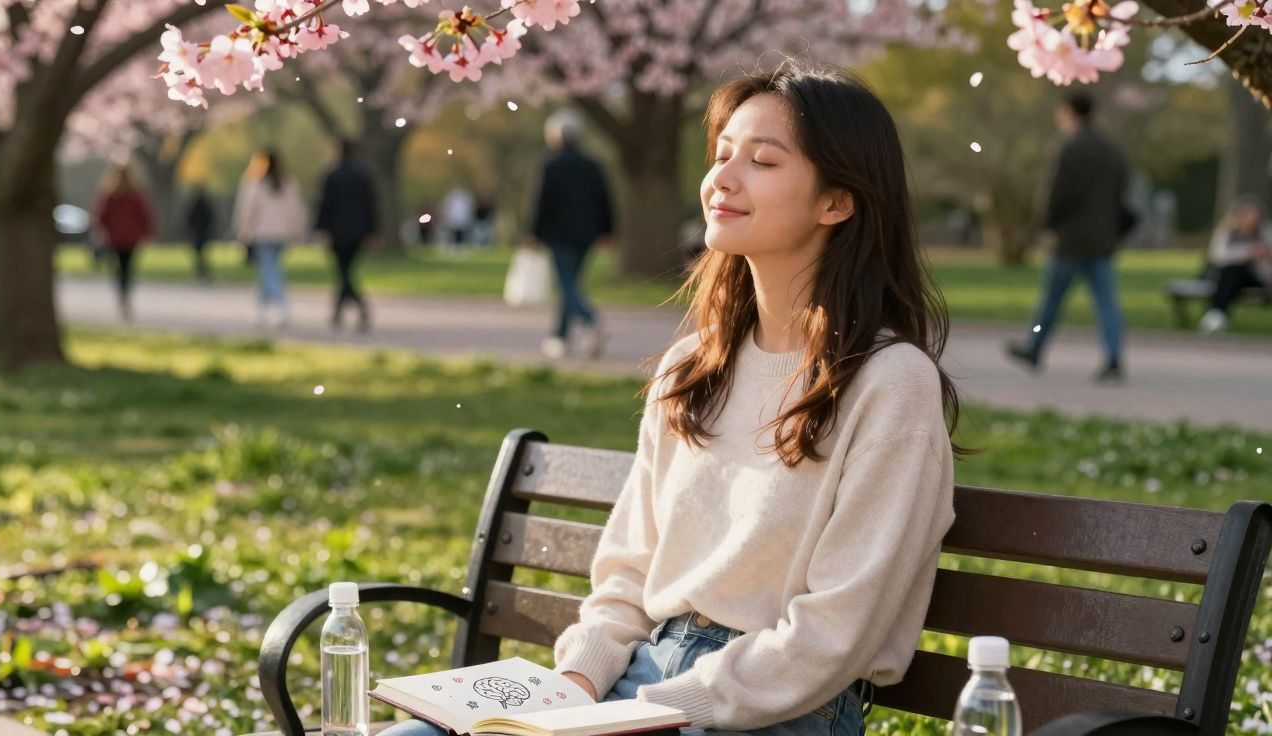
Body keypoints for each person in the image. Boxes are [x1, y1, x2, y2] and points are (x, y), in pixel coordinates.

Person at [378, 61, 960, 736]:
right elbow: (627, 573)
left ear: (836, 201)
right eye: (721, 155)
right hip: (642, 680)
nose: (723, 178)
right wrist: (572, 688)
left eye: (763, 162)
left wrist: (661, 709)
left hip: (777, 709)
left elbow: (833, 636)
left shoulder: (890, 384)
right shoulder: (693, 367)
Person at [1006, 91, 1132, 383]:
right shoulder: (1111, 149)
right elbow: (1122, 191)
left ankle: (1035, 347)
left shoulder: (1069, 148)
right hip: (1102, 239)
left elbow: (1057, 193)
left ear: (1068, 112)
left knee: (1050, 301)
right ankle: (1113, 357)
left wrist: (1046, 223)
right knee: (1107, 304)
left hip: (1071, 239)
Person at [528, 109, 614, 360]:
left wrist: (534, 232)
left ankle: (591, 320)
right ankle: (560, 338)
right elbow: (605, 200)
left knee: (566, 285)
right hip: (587, 234)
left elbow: (542, 202)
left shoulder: (551, 165)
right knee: (571, 283)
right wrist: (608, 230)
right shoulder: (593, 166)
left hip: (559, 234)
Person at [234, 149, 306, 328]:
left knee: (269, 271)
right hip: (282, 234)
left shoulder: (255, 184)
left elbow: (247, 211)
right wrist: (298, 230)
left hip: (262, 234)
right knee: (268, 270)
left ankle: (282, 306)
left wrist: (243, 232)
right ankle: (260, 309)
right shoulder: (288, 184)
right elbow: (296, 210)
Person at [315, 139, 378, 331]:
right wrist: (372, 231)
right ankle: (342, 311)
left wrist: (323, 229)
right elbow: (371, 206)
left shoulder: (332, 175)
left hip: (338, 231)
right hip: (358, 230)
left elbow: (325, 205)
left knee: (344, 272)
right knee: (346, 272)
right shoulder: (363, 176)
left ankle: (353, 308)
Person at [1199, 195, 1272, 333]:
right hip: (1230, 276)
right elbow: (1217, 256)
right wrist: (1248, 252)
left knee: (1232, 275)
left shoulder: (1265, 233)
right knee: (1232, 272)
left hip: (1258, 277)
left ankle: (1216, 313)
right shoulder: (1227, 232)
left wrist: (1265, 254)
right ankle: (1217, 315)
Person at [91, 165, 153, 321]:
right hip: (131, 237)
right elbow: (144, 215)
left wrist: (103, 230)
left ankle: (122, 294)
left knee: (119, 268)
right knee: (127, 267)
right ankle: (125, 294)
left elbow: (100, 216)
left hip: (115, 238)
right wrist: (146, 232)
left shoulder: (110, 193)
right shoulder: (135, 194)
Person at [185, 185, 216, 284]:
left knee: (199, 255)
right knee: (203, 255)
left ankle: (201, 271)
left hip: (197, 234)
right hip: (204, 233)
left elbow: (189, 219)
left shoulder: (193, 206)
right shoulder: (206, 206)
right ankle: (203, 272)